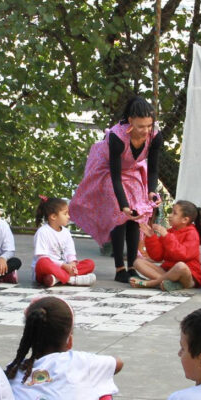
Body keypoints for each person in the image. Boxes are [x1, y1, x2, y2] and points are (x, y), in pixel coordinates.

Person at [70, 96, 163, 283]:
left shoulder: (155, 136)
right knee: (120, 216)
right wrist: (123, 206)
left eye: (149, 125)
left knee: (135, 216)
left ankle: (133, 267)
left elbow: (153, 169)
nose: (146, 131)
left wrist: (151, 191)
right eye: (141, 126)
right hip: (106, 170)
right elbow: (115, 176)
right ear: (130, 121)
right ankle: (120, 268)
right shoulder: (117, 137)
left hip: (133, 169)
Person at [131, 200, 201, 292]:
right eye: (171, 212)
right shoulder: (169, 232)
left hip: (188, 276)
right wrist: (151, 237)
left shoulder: (192, 233)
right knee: (138, 262)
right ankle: (168, 284)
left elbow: (182, 255)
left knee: (180, 266)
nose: (170, 215)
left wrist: (167, 236)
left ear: (185, 220)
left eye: (174, 213)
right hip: (168, 272)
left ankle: (151, 283)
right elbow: (158, 256)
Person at [32, 196, 96, 287]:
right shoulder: (42, 232)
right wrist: (62, 265)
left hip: (64, 268)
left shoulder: (66, 232)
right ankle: (72, 280)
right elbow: (42, 257)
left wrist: (72, 264)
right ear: (53, 216)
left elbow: (70, 253)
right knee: (42, 262)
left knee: (90, 263)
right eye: (65, 214)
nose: (68, 216)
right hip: (47, 270)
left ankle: (56, 279)